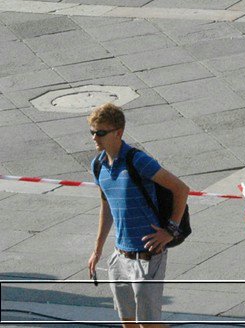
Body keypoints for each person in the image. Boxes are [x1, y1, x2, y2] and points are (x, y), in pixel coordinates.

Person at [87, 103, 191, 327]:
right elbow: (106, 206)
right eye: (93, 132)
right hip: (119, 257)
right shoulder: (98, 165)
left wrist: (170, 231)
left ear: (118, 132)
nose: (95, 137)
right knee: (129, 323)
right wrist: (97, 250)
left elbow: (181, 189)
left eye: (101, 132)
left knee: (148, 325)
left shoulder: (137, 161)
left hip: (148, 256)